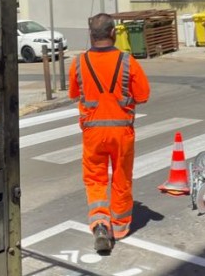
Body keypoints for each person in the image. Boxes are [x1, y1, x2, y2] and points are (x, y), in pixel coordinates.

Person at [68, 13, 151, 252]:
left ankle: (100, 223)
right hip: (121, 132)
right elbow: (143, 95)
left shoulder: (78, 62)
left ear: (90, 35)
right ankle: (120, 226)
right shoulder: (127, 61)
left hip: (93, 132)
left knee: (95, 178)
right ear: (113, 33)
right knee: (121, 177)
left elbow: (74, 93)